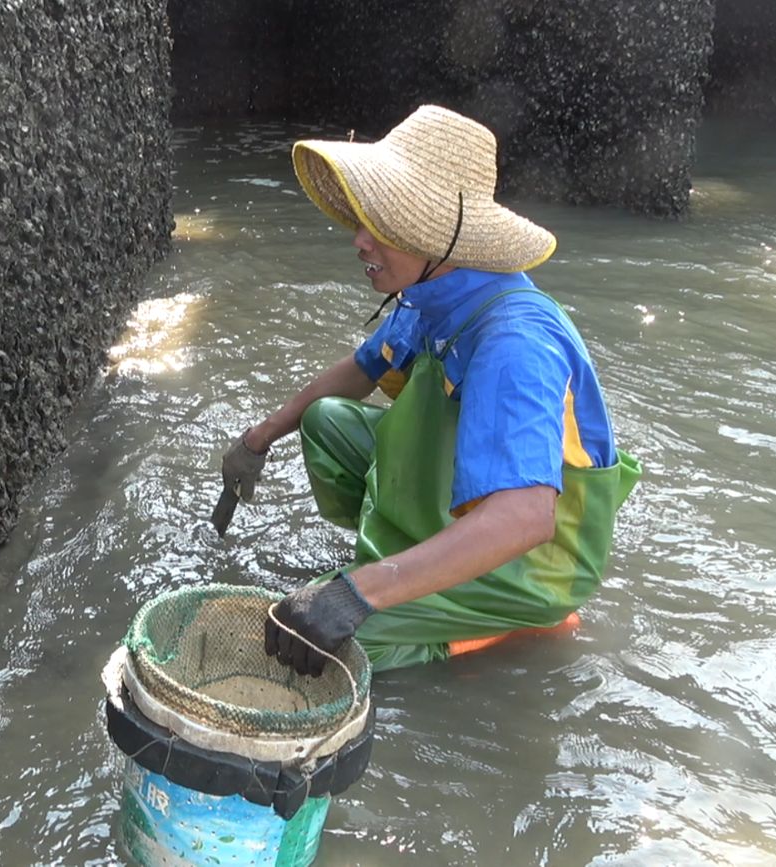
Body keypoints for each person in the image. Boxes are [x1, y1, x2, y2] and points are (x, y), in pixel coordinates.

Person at [221, 105, 641, 676]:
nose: (361, 242)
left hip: (533, 560)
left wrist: (353, 595)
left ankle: (493, 624)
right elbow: (359, 370)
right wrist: (259, 438)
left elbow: (524, 519)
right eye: (366, 220)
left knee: (314, 650)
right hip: (459, 500)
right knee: (326, 420)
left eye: (386, 227)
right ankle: (409, 571)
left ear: (440, 238)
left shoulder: (515, 340)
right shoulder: (433, 291)